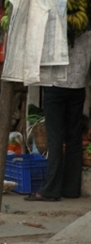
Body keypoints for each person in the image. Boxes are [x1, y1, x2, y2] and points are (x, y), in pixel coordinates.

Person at [27, 29, 91, 201]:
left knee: (55, 138)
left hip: (56, 85)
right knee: (73, 138)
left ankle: (51, 190)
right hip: (77, 87)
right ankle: (71, 189)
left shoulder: (56, 27)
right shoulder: (86, 28)